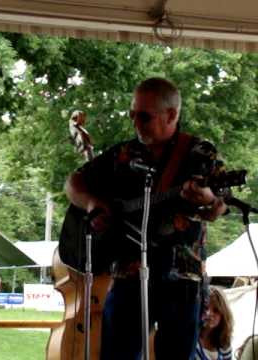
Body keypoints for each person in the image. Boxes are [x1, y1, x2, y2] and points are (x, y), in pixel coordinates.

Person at [65, 77, 228, 360]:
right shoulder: (124, 154)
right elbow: (73, 183)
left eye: (144, 116)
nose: (136, 123)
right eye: (132, 115)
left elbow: (219, 206)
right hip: (129, 273)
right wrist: (94, 204)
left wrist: (211, 201)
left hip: (181, 278)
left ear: (172, 114)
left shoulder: (199, 153)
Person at [195, 286, 233, 360]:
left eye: (216, 310)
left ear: (223, 315)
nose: (209, 313)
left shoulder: (224, 345)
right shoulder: (191, 341)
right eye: (205, 308)